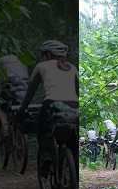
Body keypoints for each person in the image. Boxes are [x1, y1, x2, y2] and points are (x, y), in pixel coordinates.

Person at [17, 40, 78, 174]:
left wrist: (21, 110)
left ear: (48, 54)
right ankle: (74, 165)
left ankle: (46, 157)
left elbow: (30, 92)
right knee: (73, 138)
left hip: (51, 104)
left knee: (43, 131)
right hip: (74, 105)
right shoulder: (73, 68)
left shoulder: (41, 66)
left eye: (43, 54)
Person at [0, 54, 29, 140]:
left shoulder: (0, 61)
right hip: (25, 89)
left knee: (2, 106)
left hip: (10, 89)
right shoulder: (21, 61)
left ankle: (5, 129)